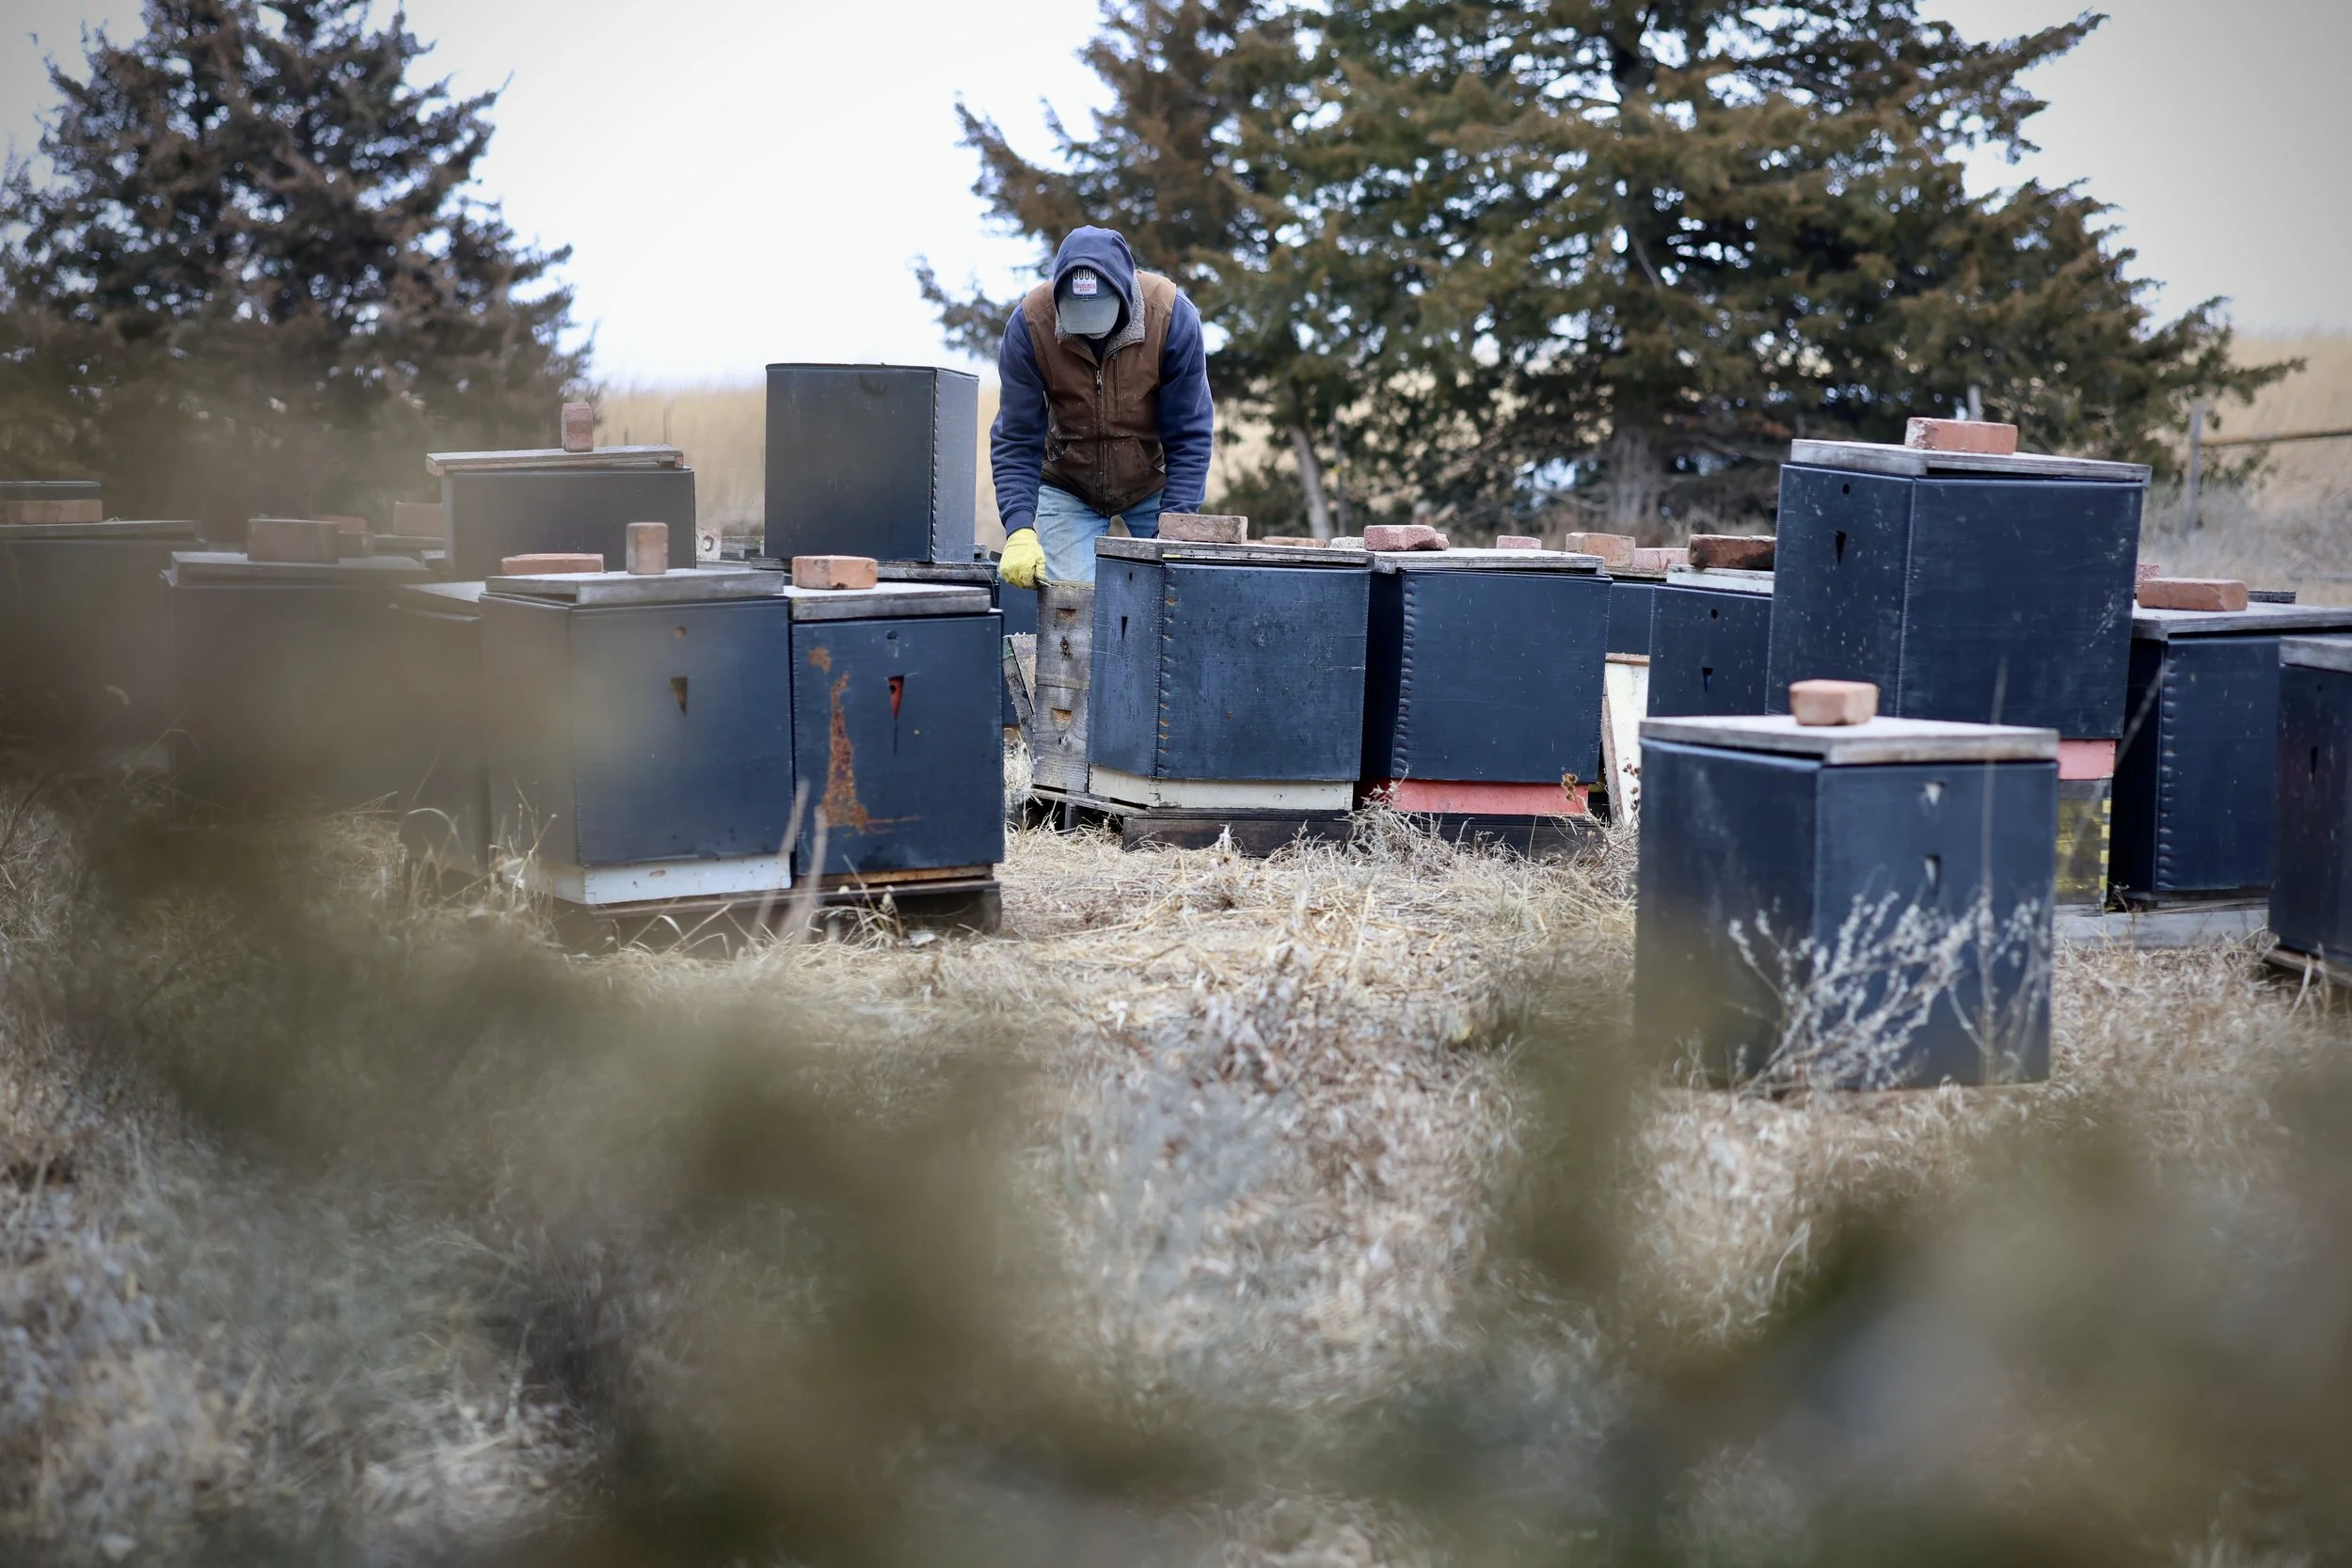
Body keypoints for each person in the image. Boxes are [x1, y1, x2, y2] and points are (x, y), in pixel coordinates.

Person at [992, 226, 1215, 588]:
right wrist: (1019, 528)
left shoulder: (1172, 317)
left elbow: (1189, 434)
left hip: (1152, 483)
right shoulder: (1031, 325)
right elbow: (1016, 438)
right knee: (1073, 605)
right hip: (1068, 483)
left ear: (1125, 293)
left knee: (1168, 595)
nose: (1090, 330)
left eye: (1099, 314)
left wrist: (1177, 522)